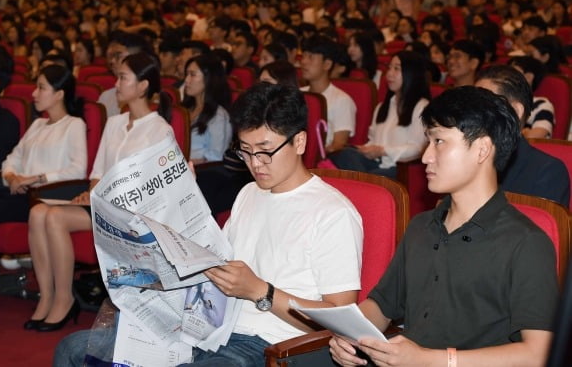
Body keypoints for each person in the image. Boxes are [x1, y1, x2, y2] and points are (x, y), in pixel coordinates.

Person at [54, 82, 363, 366]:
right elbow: (213, 263)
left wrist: (261, 291)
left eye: (265, 151)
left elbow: (338, 318)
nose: (256, 163)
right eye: (246, 151)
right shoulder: (249, 193)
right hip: (207, 330)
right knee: (72, 349)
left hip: (269, 344)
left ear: (299, 142)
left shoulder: (332, 212)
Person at [329, 86, 558, 367]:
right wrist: (350, 336)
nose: (426, 156)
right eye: (428, 141)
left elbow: (536, 354)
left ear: (482, 149)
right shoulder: (421, 226)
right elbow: (380, 306)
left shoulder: (526, 242)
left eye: (439, 141)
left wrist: (431, 360)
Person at [25, 52, 174, 332]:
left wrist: (102, 197)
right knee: (38, 212)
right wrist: (91, 193)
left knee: (54, 217)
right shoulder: (115, 123)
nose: (116, 83)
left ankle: (65, 299)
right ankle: (47, 296)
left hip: (131, 214)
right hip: (101, 205)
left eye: (123, 77)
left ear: (143, 86)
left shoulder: (159, 130)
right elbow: (97, 172)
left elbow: (154, 187)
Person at [0, 64, 87, 317]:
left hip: (43, 199)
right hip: (17, 193)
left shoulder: (74, 124)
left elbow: (77, 171)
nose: (34, 94)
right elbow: (12, 159)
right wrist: (12, 176)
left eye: (42, 88)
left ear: (59, 94)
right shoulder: (37, 126)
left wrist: (36, 178)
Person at [474, 65, 570, 207]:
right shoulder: (464, 157)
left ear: (515, 111)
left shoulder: (546, 171)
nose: (472, 113)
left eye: (483, 105)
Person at [330, 51, 430, 178]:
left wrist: (383, 151)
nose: (389, 74)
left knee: (369, 176)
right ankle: (363, 182)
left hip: (398, 168)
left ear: (411, 74)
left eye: (396, 69)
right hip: (375, 163)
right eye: (389, 68)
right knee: (345, 154)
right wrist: (365, 149)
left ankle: (363, 182)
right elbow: (373, 140)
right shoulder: (382, 106)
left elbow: (418, 148)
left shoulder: (421, 107)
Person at [300, 35, 356, 154]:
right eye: (304, 55)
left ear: (327, 64)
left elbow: (338, 145)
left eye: (311, 57)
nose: (304, 62)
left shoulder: (342, 100)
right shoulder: (297, 93)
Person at [183, 53, 232, 164]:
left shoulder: (219, 116)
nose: (186, 80)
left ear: (209, 78)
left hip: (201, 173)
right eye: (186, 74)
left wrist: (183, 166)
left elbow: (216, 157)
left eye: (192, 75)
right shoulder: (184, 109)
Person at [507, 56, 555, 139]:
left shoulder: (541, 104)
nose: (506, 77)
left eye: (513, 73)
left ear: (529, 77)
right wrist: (523, 132)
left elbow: (535, 136)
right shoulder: (501, 100)